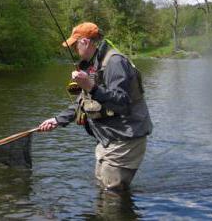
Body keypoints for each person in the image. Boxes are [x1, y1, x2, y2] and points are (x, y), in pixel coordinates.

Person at [38, 22, 153, 191]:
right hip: (109, 139)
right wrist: (57, 120)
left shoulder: (114, 62)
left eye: (75, 45)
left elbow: (121, 101)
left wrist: (90, 86)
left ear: (85, 42)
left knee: (111, 195)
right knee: (103, 188)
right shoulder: (94, 65)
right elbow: (83, 102)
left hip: (125, 139)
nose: (74, 50)